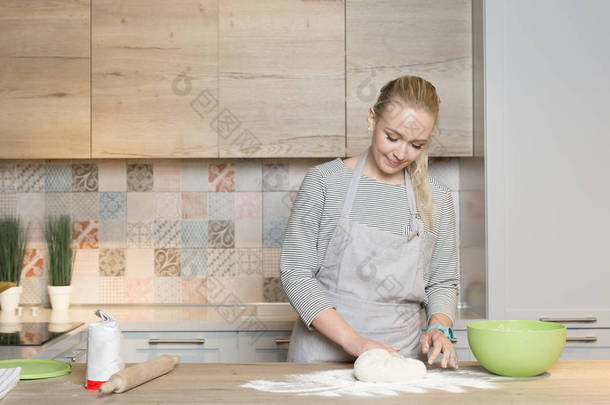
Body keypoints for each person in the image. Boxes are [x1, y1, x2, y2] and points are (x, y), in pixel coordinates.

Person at [279, 75, 459, 369]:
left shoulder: (436, 198)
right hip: (322, 358)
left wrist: (440, 326)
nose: (401, 154)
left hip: (400, 360)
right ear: (372, 119)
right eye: (392, 137)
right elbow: (295, 273)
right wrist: (356, 343)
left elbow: (442, 281)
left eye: (416, 145)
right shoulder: (324, 183)